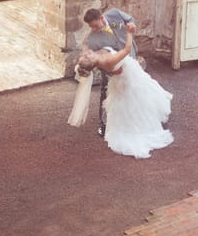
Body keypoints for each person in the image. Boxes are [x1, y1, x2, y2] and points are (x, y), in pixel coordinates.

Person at [68, 26, 173, 159]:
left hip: (124, 75)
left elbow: (84, 43)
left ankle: (152, 115)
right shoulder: (107, 61)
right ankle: (145, 124)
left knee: (144, 92)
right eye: (86, 57)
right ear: (92, 63)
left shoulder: (92, 56)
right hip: (128, 77)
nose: (86, 54)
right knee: (138, 99)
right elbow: (127, 50)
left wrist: (91, 29)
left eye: (84, 55)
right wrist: (129, 33)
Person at [82, 8, 137, 137]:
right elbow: (96, 60)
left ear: (102, 18)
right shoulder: (93, 38)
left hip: (131, 59)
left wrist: (131, 24)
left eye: (95, 25)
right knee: (106, 93)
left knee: (132, 90)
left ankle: (130, 120)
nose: (94, 29)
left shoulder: (115, 13)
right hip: (111, 68)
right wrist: (110, 71)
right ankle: (103, 123)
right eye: (91, 27)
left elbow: (129, 19)